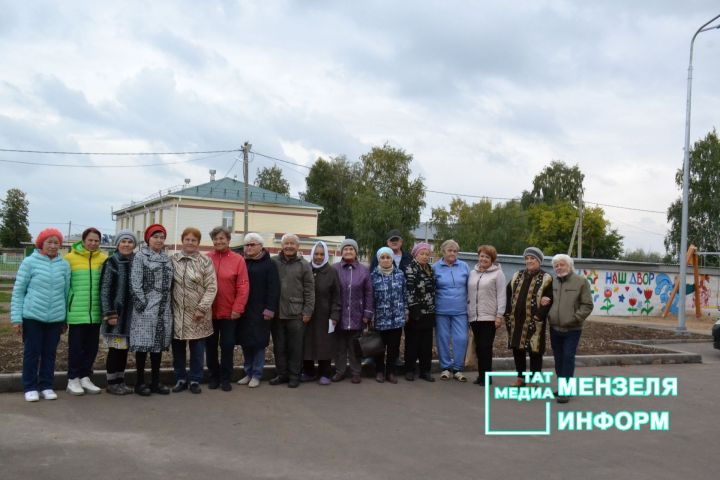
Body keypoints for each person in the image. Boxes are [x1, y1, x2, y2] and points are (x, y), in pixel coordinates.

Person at [11, 228, 70, 402]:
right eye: (49, 242)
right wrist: (16, 319)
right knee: (32, 353)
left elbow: (66, 293)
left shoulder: (64, 265)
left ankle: (46, 385)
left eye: (56, 242)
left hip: (55, 318)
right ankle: (29, 386)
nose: (53, 246)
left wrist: (65, 318)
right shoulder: (29, 262)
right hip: (32, 316)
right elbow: (19, 291)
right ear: (41, 244)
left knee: (50, 353)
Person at [171, 227, 218, 394]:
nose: (190, 242)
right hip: (177, 313)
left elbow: (211, 287)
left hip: (198, 315)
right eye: (187, 239)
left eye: (194, 240)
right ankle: (180, 378)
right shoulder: (173, 260)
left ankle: (195, 380)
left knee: (197, 350)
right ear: (182, 241)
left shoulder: (205, 262)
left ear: (198, 243)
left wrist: (202, 308)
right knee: (178, 350)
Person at [129, 224, 174, 396]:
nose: (159, 240)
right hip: (145, 309)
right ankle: (140, 382)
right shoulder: (140, 257)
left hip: (163, 310)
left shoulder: (166, 258)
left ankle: (156, 381)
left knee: (157, 347)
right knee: (142, 346)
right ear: (148, 239)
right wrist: (143, 306)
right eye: (156, 236)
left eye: (162, 237)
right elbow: (135, 283)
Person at [64, 227, 108, 396]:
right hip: (77, 312)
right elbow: (65, 286)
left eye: (96, 240)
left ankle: (85, 377)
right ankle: (72, 379)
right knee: (75, 347)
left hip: (96, 312)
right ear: (83, 240)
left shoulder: (104, 260)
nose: (93, 243)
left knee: (91, 347)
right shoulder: (69, 259)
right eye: (90, 240)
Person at [206, 226, 249, 391]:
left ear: (228, 240)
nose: (219, 241)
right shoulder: (207, 258)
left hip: (230, 313)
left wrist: (238, 308)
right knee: (210, 347)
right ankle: (213, 377)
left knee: (227, 346)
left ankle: (225, 378)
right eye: (216, 239)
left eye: (222, 238)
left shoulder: (238, 260)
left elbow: (243, 286)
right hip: (209, 312)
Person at [546, 254, 592, 403]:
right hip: (554, 327)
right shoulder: (551, 282)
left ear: (569, 265)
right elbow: (547, 301)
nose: (559, 268)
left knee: (567, 357)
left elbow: (587, 305)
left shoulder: (581, 282)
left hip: (573, 329)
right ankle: (563, 387)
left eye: (562, 265)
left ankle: (565, 391)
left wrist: (575, 319)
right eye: (556, 266)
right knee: (558, 358)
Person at [270, 233, 315, 388]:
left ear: (297, 246)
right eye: (286, 243)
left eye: (292, 244)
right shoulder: (273, 261)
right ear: (282, 246)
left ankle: (294, 375)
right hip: (276, 313)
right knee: (279, 346)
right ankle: (282, 374)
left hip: (297, 314)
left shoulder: (304, 265)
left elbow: (309, 290)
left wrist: (308, 311)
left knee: (296, 348)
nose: (289, 246)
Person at [504, 247, 553, 387]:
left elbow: (549, 299)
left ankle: (533, 379)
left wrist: (539, 316)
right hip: (515, 320)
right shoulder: (517, 275)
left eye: (533, 258)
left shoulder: (546, 278)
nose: (529, 261)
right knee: (517, 349)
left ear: (539, 261)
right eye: (527, 258)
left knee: (535, 351)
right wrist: (507, 312)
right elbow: (508, 293)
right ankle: (520, 378)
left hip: (534, 321)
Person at [236, 233, 279, 388]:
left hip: (261, 311)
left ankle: (257, 374)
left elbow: (274, 289)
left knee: (259, 344)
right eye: (247, 245)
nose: (249, 247)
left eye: (252, 244)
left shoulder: (269, 264)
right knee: (246, 343)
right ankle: (248, 373)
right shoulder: (242, 262)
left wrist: (269, 309)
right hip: (244, 311)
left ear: (261, 246)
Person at [99, 230, 137, 395]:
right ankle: (111, 383)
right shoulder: (111, 262)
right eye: (123, 242)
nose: (127, 245)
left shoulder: (135, 262)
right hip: (117, 316)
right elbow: (105, 290)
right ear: (118, 244)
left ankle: (121, 381)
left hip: (130, 316)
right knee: (115, 350)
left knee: (124, 350)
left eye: (130, 242)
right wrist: (110, 314)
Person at [332, 238, 373, 384]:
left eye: (351, 249)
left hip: (357, 314)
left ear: (355, 252)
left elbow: (368, 293)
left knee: (355, 347)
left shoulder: (364, 270)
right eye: (345, 249)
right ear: (341, 252)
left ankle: (356, 372)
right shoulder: (334, 268)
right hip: (339, 315)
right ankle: (340, 371)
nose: (348, 251)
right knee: (340, 347)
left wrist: (367, 313)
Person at [302, 241, 341, 385]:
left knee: (325, 344)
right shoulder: (306, 268)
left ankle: (325, 373)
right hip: (307, 314)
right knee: (307, 344)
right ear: (312, 254)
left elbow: (337, 296)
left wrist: (335, 315)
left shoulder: (331, 271)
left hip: (325, 315)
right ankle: (308, 371)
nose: (318, 257)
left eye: (321, 254)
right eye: (316, 254)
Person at [467, 245, 506, 387]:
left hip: (489, 317)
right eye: (482, 256)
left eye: (487, 257)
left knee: (485, 347)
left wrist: (499, 315)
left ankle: (487, 376)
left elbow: (502, 295)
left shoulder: (498, 274)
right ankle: (481, 375)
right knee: (478, 347)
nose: (483, 259)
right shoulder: (472, 273)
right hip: (474, 316)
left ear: (492, 260)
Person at [433, 239, 470, 382]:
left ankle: (458, 368)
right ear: (443, 252)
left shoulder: (464, 266)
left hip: (460, 310)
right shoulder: (435, 267)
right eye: (450, 250)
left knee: (461, 338)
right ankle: (446, 368)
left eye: (455, 251)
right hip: (441, 309)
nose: (453, 253)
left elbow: (470, 286)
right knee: (443, 339)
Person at [371, 247, 407, 384]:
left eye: (388, 257)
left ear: (392, 259)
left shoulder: (400, 274)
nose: (385, 260)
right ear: (379, 259)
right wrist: (371, 315)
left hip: (396, 318)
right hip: (380, 317)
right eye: (383, 257)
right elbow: (370, 298)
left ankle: (391, 372)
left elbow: (404, 295)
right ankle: (379, 371)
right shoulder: (373, 276)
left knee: (393, 347)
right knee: (379, 347)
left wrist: (406, 311)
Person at [404, 242, 436, 382]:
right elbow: (409, 291)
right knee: (412, 342)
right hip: (415, 312)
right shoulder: (410, 269)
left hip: (429, 311)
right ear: (415, 255)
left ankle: (425, 370)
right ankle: (409, 370)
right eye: (421, 254)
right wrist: (414, 310)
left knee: (426, 344)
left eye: (427, 254)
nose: (424, 256)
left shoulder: (430, 269)